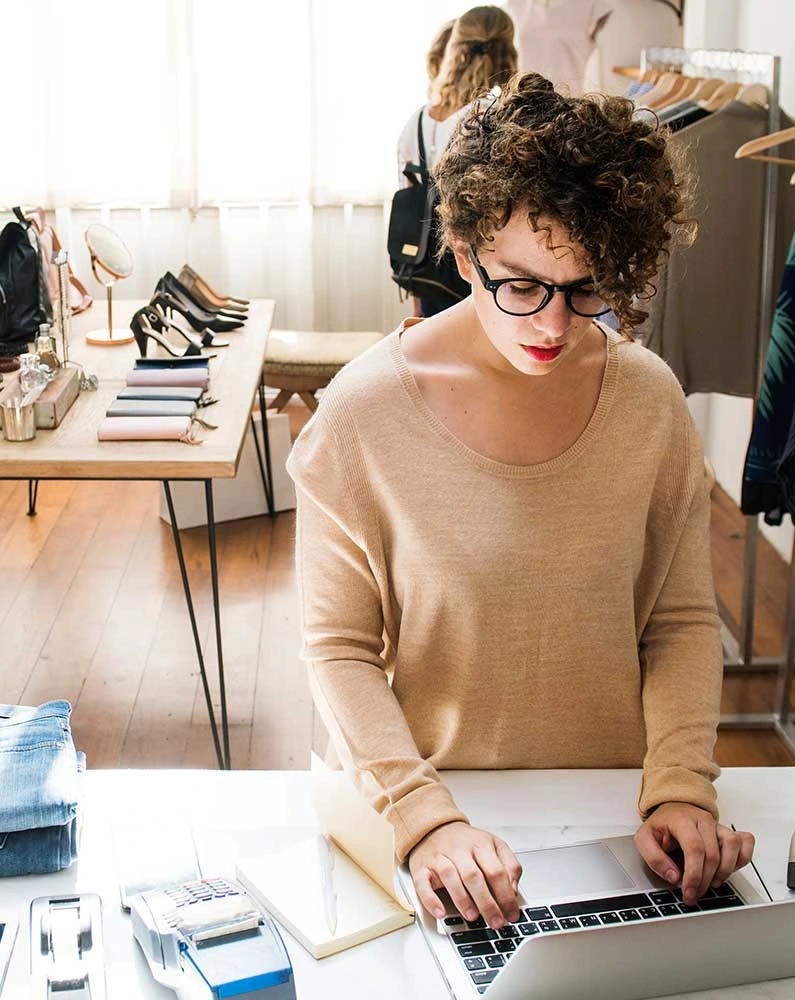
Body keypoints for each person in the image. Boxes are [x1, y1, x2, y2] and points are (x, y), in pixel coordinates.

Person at [294, 72, 749, 933]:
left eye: (587, 290)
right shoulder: (360, 416)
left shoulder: (647, 401)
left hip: (622, 819)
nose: (552, 324)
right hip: (439, 817)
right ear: (464, 254)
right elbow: (338, 650)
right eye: (523, 285)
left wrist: (682, 787)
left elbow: (681, 621)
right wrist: (421, 819)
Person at [396, 6, 518, 317]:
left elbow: (410, 203)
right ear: (508, 51)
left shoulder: (417, 120)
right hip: (477, 268)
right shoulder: (493, 115)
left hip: (427, 268)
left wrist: (416, 298)